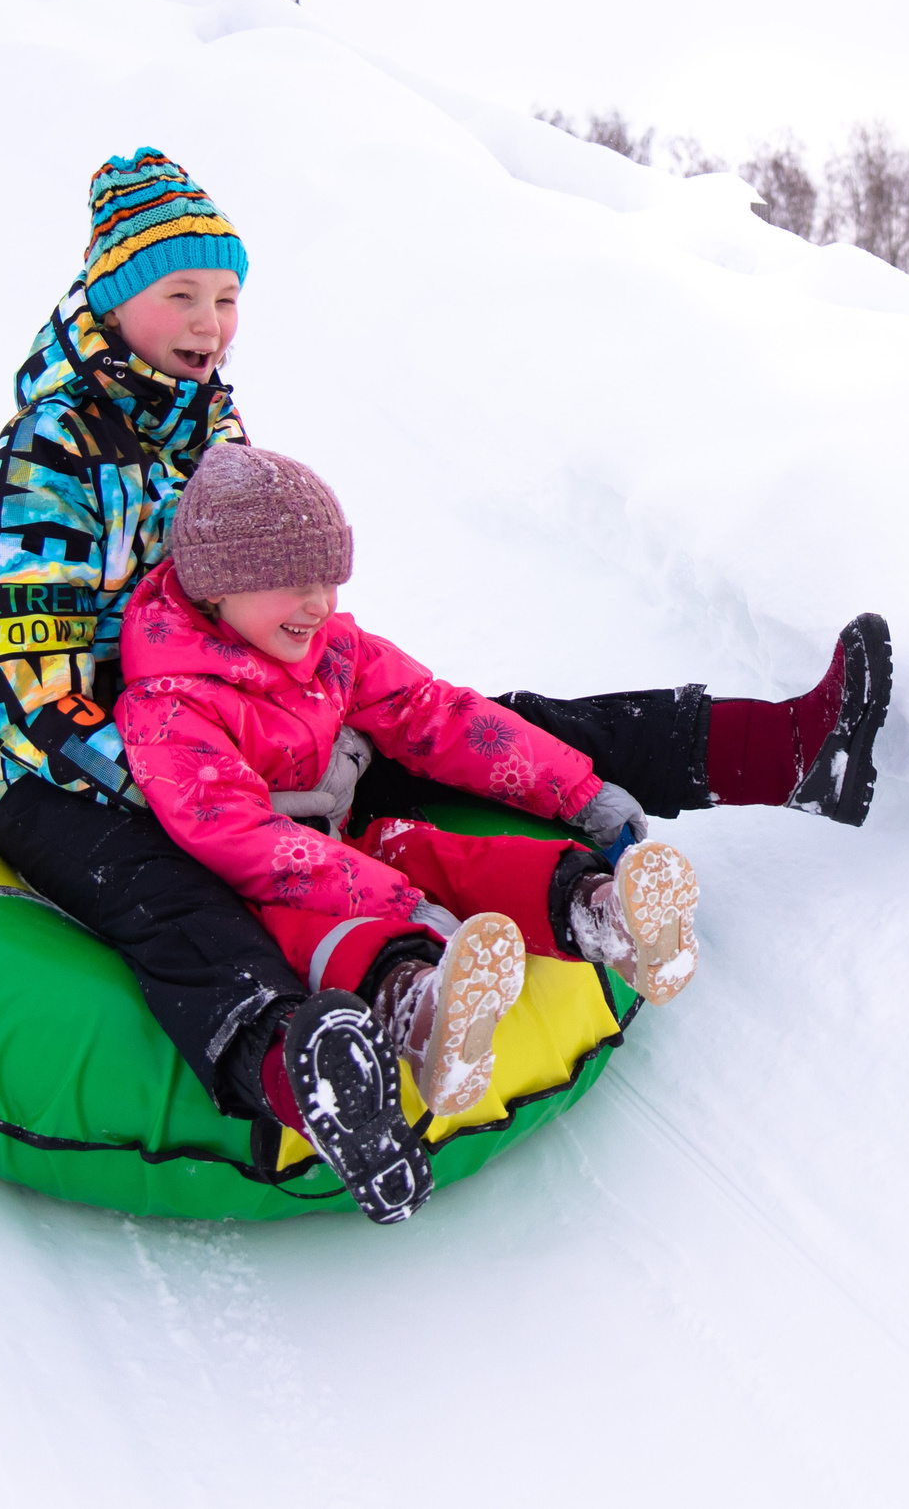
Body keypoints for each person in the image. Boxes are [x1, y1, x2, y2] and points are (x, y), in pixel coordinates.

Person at [0, 147, 894, 1219]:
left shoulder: (205, 419)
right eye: (182, 296)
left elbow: (250, 577)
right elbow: (26, 686)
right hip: (48, 757)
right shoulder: (47, 455)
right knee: (175, 891)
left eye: (227, 298)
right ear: (113, 301)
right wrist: (208, 780)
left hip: (225, 699)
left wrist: (313, 702)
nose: (211, 323)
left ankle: (786, 753)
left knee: (476, 727)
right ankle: (306, 1067)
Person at [115, 443, 707, 1219]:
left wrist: (577, 789)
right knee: (332, 930)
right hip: (261, 888)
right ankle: (422, 1014)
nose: (319, 602)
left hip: (345, 843)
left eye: (329, 578)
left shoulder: (333, 649)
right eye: (293, 581)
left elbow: (441, 716)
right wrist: (399, 903)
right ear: (218, 583)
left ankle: (599, 910)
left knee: (433, 851)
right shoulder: (169, 704)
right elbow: (237, 838)